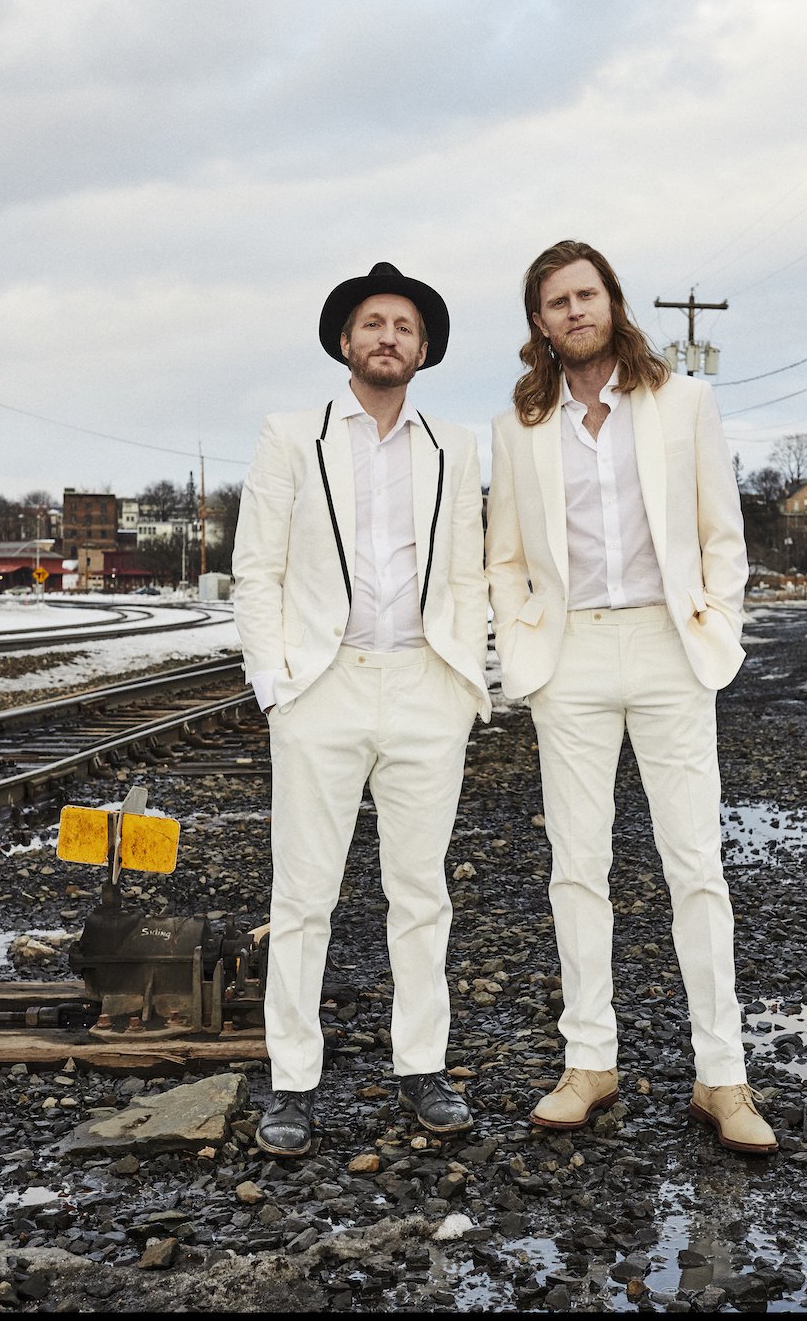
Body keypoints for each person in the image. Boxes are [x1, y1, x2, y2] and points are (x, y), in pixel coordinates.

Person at [485, 240, 776, 1155]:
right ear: (539, 322)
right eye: (555, 301)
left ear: (611, 302)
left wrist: (715, 624)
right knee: (578, 865)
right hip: (568, 655)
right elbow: (503, 556)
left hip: (665, 645)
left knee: (695, 864)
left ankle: (722, 1079)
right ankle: (590, 1063)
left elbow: (721, 532)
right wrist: (520, 629)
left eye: (587, 294)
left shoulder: (683, 401)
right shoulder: (518, 426)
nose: (574, 311)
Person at [232, 262, 490, 1157]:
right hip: (322, 686)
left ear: (424, 350)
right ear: (346, 341)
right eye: (373, 323)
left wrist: (464, 680)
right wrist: (276, 683)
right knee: (304, 894)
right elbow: (256, 568)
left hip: (425, 684)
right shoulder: (289, 435)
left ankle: (423, 1066)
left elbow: (467, 569)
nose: (388, 337)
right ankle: (292, 1082)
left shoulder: (455, 445)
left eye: (405, 327)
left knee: (420, 891)